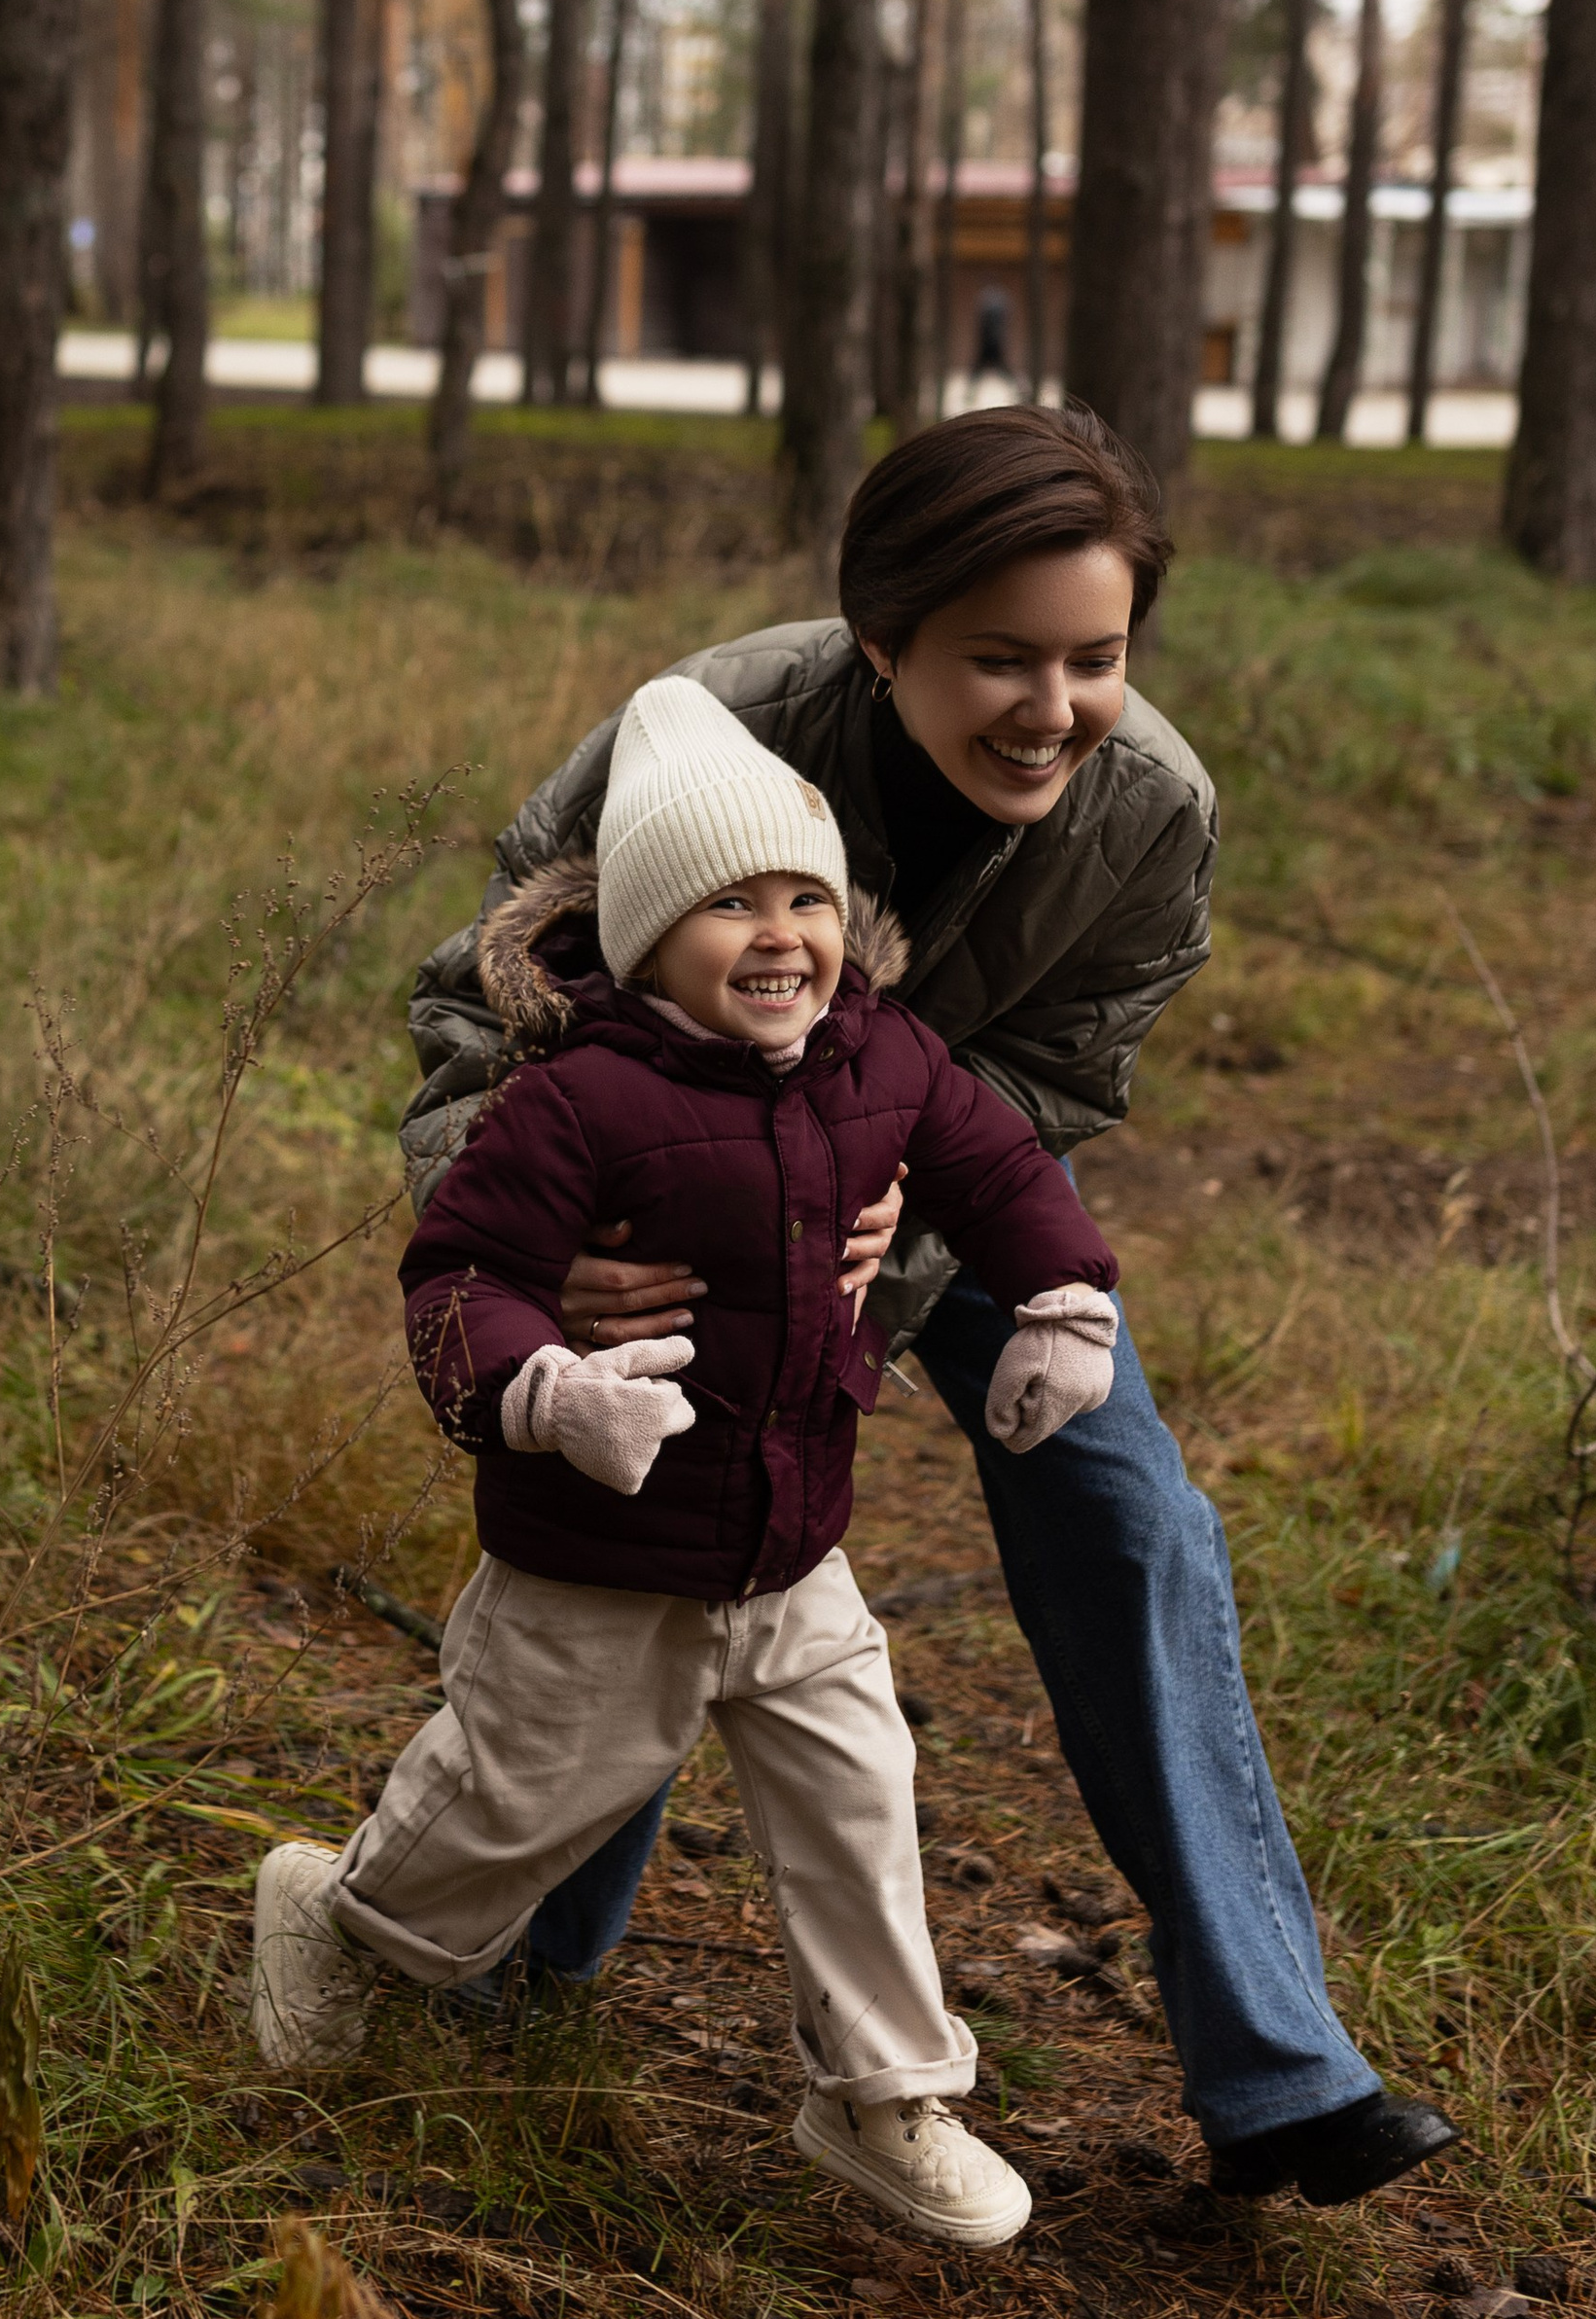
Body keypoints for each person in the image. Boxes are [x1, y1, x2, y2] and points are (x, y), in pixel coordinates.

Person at [394, 406, 1456, 2211]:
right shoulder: (695, 740)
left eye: (1097, 659)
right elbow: (480, 1011)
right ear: (882, 643)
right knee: (671, 1527)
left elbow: (1061, 1078)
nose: (1054, 706)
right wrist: (544, 1244)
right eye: (1001, 660)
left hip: (947, 1209)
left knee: (1133, 1513)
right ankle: (517, 1969)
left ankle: (1282, 2070)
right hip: (671, 1198)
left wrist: (894, 1245)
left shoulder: (1152, 816)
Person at [249, 675, 1127, 2248]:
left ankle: (884, 2095)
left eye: (808, 896)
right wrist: (546, 1395)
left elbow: (997, 1164)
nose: (782, 932)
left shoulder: (888, 1056)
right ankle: (348, 1918)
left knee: (864, 1801)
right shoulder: (576, 1098)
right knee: (509, 1808)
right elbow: (458, 1282)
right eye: (730, 904)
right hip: (598, 1566)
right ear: (647, 937)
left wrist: (1066, 1297)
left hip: (796, 1550)